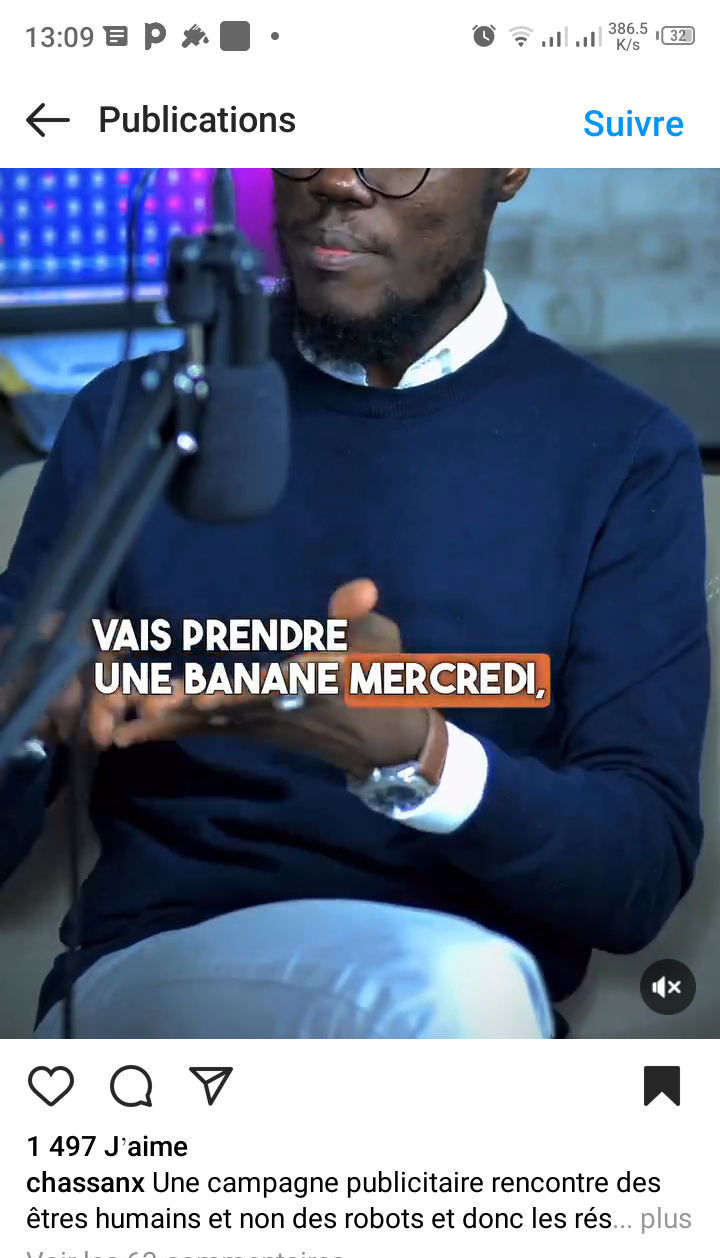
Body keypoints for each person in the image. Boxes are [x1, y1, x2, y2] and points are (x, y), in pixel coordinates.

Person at [0, 169, 709, 1040]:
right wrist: (25, 722)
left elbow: (636, 878)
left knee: (459, 985)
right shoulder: (133, 418)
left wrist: (422, 757)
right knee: (449, 988)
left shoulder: (623, 453)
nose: (336, 176)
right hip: (158, 979)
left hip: (473, 1010)